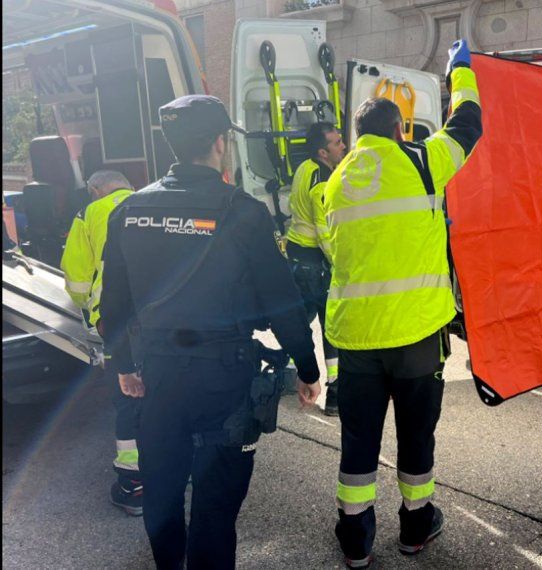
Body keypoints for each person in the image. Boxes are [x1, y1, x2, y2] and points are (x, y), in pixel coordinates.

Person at [100, 95, 321, 569]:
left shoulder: (130, 210)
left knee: (161, 491)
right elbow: (282, 302)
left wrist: (124, 367)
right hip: (224, 377)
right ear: (220, 143)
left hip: (158, 375)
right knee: (216, 507)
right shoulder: (242, 211)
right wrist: (307, 367)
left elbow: (112, 306)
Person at [322, 39, 482, 568]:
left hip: (355, 339)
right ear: (398, 130)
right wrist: (461, 73)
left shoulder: (336, 180)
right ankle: (415, 527)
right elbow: (468, 127)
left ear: (356, 135)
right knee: (415, 438)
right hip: (415, 337)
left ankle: (355, 539)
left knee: (359, 441)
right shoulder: (419, 160)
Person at [60, 170, 143, 515]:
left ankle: (133, 485)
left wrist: (88, 311)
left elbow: (77, 278)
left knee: (129, 397)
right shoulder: (152, 201)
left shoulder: (89, 213)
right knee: (169, 392)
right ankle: (179, 469)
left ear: (95, 190)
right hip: (165, 318)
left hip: (117, 322)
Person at [285, 121, 346, 415]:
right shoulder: (322, 182)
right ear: (323, 151)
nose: (343, 145)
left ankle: (285, 370)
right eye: (337, 143)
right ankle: (335, 392)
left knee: (297, 321)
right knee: (330, 327)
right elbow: (325, 234)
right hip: (315, 265)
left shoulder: (304, 168)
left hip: (296, 257)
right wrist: (342, 264)